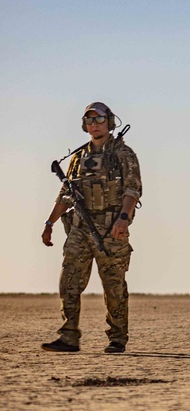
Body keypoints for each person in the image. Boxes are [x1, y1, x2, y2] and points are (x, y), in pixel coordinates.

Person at [41, 102, 141, 354]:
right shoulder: (78, 158)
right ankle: (69, 336)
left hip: (111, 229)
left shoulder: (122, 153)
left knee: (114, 285)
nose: (94, 124)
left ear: (110, 122)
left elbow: (132, 189)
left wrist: (123, 219)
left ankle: (117, 337)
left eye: (98, 119)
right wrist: (49, 223)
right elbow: (66, 194)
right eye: (89, 120)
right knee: (69, 282)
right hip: (80, 229)